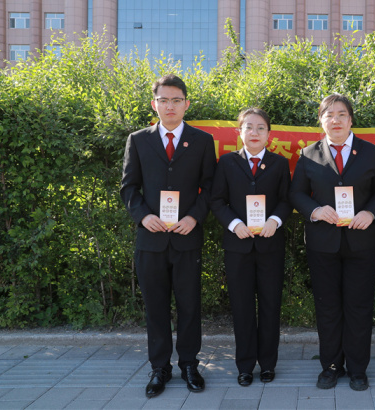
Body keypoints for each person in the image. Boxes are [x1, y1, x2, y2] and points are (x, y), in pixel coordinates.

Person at [289, 93, 375, 391]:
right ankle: (331, 366)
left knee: (359, 307)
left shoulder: (370, 152)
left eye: (341, 114)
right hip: (323, 243)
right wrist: (315, 210)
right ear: (321, 120)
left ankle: (358, 369)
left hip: (361, 242)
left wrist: (370, 213)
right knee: (328, 307)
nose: (335, 120)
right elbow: (296, 193)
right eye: (329, 115)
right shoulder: (308, 154)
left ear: (351, 120)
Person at [120, 74, 216, 398]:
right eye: (164, 100)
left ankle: (189, 364)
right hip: (151, 239)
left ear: (187, 104)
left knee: (189, 305)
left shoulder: (202, 141)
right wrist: (143, 216)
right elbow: (129, 187)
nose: (170, 106)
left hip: (187, 237)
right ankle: (159, 367)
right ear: (154, 104)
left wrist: (194, 217)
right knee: (155, 307)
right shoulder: (138, 140)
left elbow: (211, 187)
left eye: (176, 100)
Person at [210, 108, 292, 387]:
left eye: (260, 128)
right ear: (239, 132)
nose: (254, 133)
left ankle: (267, 364)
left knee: (270, 306)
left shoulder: (279, 163)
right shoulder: (227, 162)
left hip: (270, 245)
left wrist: (275, 220)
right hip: (238, 246)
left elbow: (286, 200)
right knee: (242, 307)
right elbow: (217, 200)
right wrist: (234, 224)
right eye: (248, 127)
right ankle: (245, 366)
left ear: (269, 134)